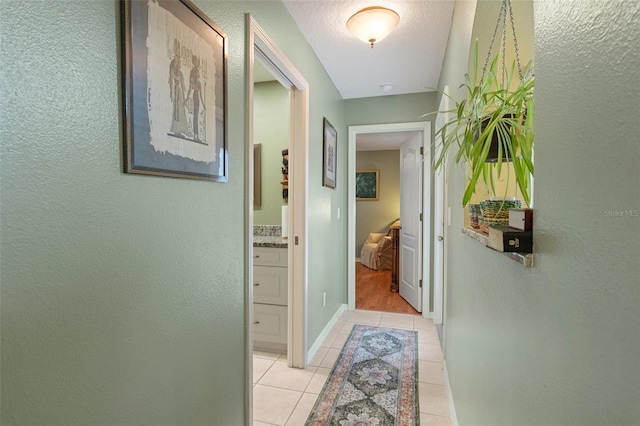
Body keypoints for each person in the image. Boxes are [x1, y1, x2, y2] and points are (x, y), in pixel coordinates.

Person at [168, 39, 188, 137]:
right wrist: (171, 92)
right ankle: (176, 128)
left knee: (180, 109)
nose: (178, 62)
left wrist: (184, 98)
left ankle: (180, 128)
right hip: (175, 91)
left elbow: (183, 86)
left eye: (179, 60)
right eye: (177, 59)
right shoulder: (172, 68)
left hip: (178, 92)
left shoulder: (181, 73)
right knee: (176, 110)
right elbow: (171, 80)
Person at [186, 55, 206, 142]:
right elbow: (190, 89)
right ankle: (195, 135)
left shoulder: (199, 83)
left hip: (197, 98)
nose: (198, 74)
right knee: (195, 117)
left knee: (196, 117)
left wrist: (204, 106)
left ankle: (196, 136)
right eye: (197, 72)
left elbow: (201, 95)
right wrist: (186, 99)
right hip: (194, 97)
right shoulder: (193, 81)